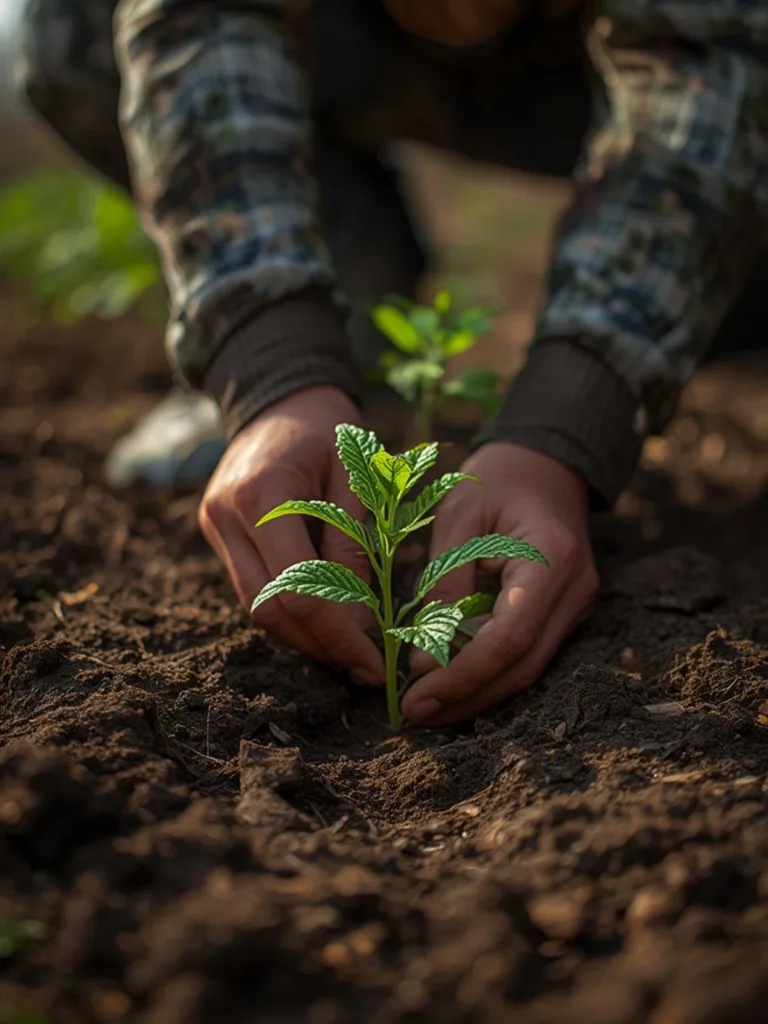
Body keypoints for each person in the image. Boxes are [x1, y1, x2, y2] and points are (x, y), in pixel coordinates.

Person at [14, 0, 768, 726]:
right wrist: (269, 360)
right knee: (66, 27)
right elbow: (197, 18)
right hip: (366, 48)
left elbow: (712, 64)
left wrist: (566, 423)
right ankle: (346, 287)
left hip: (614, 77)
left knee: (722, 272)